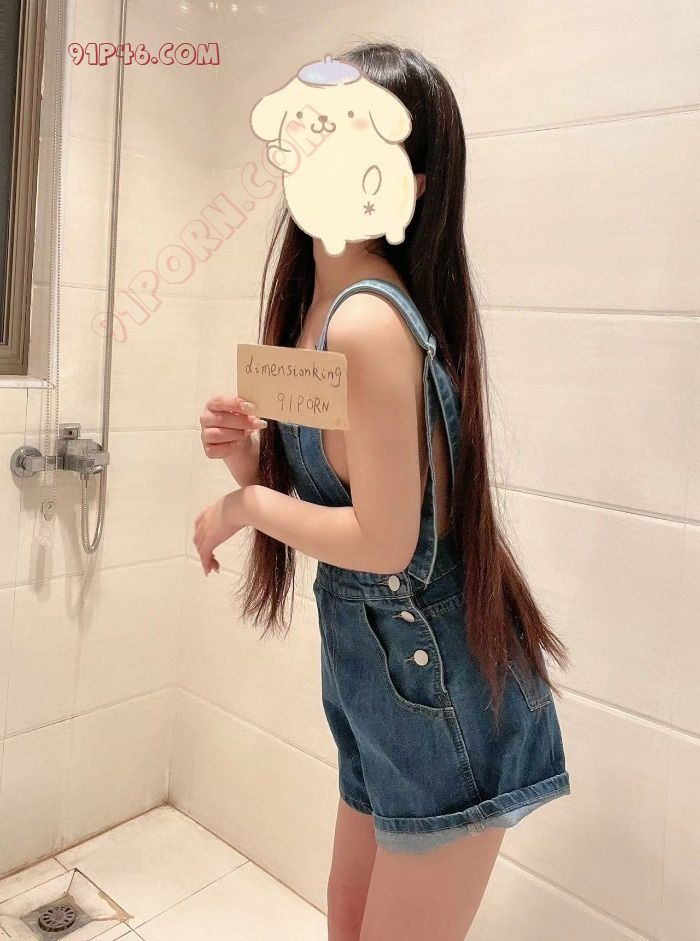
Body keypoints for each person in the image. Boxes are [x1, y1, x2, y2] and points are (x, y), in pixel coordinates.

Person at [193, 41, 571, 941]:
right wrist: (251, 460)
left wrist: (243, 506)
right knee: (348, 915)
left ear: (412, 183)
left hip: (433, 681)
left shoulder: (365, 320)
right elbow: (341, 489)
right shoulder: (324, 312)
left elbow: (385, 539)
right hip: (384, 677)